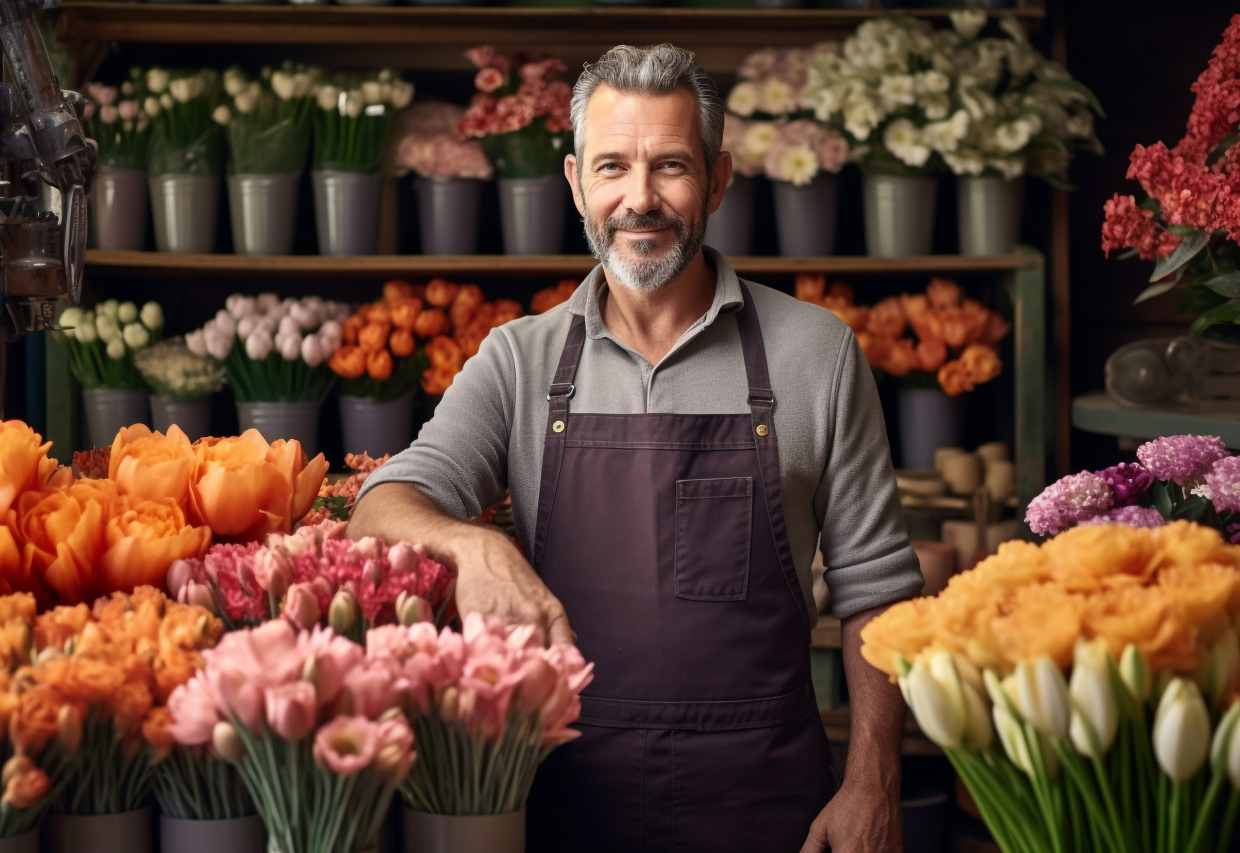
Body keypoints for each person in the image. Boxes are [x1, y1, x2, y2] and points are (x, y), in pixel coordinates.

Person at [348, 42, 922, 853]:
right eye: (613, 166)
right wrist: (472, 546)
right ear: (578, 183)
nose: (640, 199)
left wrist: (873, 782)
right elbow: (379, 507)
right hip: (559, 802)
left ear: (718, 180)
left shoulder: (816, 352)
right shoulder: (521, 360)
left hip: (765, 806)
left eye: (672, 166)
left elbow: (879, 587)